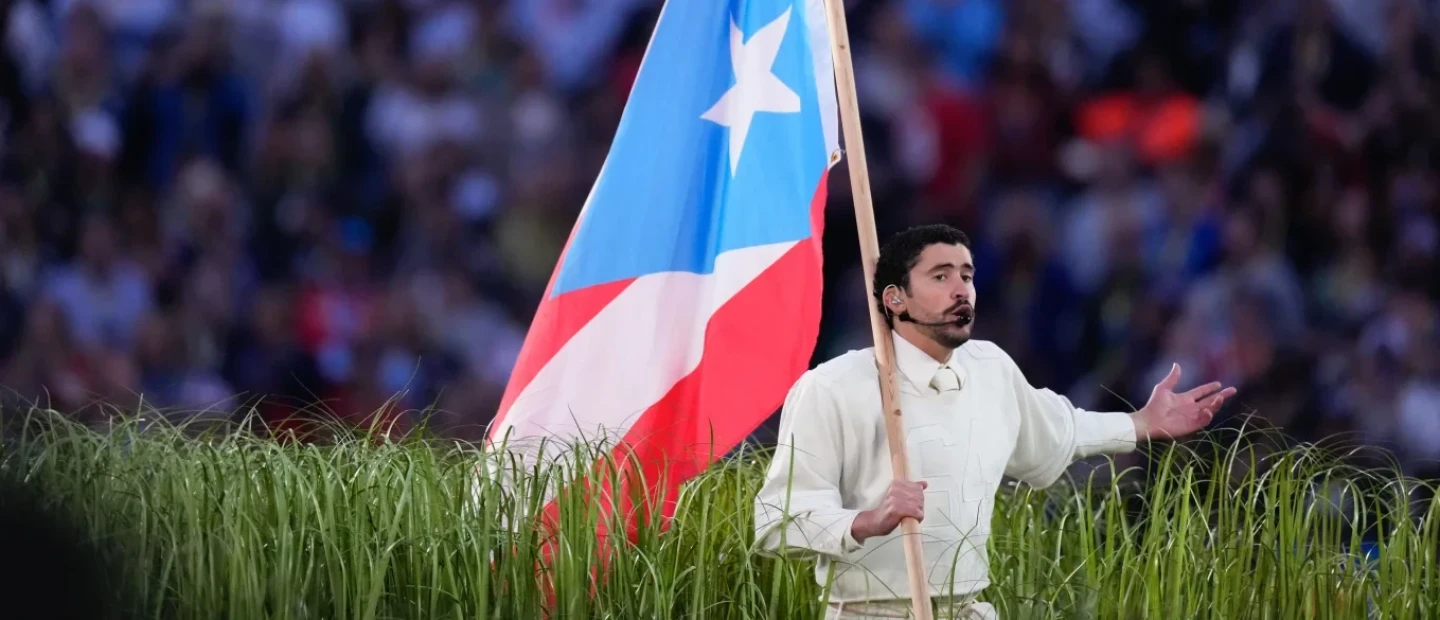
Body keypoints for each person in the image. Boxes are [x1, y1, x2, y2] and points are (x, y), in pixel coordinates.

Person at [752, 224, 1236, 619]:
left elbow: (1058, 429)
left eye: (967, 274)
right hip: (867, 613)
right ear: (895, 298)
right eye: (941, 277)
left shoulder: (991, 367)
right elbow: (776, 520)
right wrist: (866, 521)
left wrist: (1138, 424)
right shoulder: (832, 386)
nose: (962, 289)